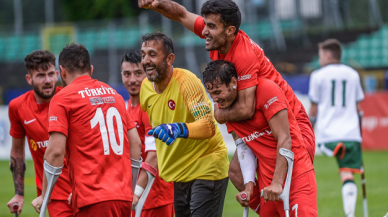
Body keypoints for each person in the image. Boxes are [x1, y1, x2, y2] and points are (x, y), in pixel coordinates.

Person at [137, 0, 315, 211]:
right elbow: (182, 14)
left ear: (230, 30)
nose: (204, 31)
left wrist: (218, 114)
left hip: (289, 120)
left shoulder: (243, 54)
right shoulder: (219, 40)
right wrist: (157, 4)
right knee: (237, 173)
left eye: (211, 26)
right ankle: (265, 209)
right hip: (259, 125)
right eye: (206, 25)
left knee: (294, 189)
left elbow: (247, 108)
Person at [31, 44, 142, 216]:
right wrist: (130, 190)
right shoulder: (116, 96)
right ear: (90, 69)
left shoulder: (63, 98)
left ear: (62, 71)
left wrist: (45, 196)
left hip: (92, 200)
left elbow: (55, 153)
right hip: (122, 199)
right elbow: (135, 145)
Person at [204, 60, 317, 216]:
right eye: (211, 94)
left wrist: (277, 183)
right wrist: (249, 187)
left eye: (217, 92)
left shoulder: (266, 89)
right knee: (234, 171)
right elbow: (243, 145)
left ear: (233, 82)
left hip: (295, 175)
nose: (215, 100)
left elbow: (285, 138)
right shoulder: (226, 107)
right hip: (267, 185)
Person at [140, 32, 229, 217]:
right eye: (143, 55)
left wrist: (177, 128)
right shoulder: (145, 88)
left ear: (170, 58)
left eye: (152, 54)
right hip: (179, 174)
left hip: (206, 167)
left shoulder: (187, 82)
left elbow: (208, 126)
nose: (145, 60)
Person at [7, 50, 72, 216]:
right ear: (29, 79)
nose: (48, 80)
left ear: (58, 74)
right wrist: (19, 194)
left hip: (83, 189)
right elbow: (17, 151)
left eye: (51, 74)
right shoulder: (18, 107)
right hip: (53, 194)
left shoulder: (70, 98)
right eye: (41, 75)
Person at [308, 39, 364, 217]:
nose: (319, 60)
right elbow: (359, 110)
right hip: (351, 135)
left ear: (328, 55)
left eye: (320, 56)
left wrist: (307, 133)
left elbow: (313, 110)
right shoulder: (353, 74)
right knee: (347, 174)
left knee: (308, 171)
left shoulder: (317, 75)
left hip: (327, 135)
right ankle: (349, 213)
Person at [121, 50, 174, 216]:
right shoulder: (127, 107)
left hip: (157, 195)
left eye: (138, 73)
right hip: (139, 195)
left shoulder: (150, 107)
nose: (132, 80)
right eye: (127, 74)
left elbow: (155, 154)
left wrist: (135, 192)